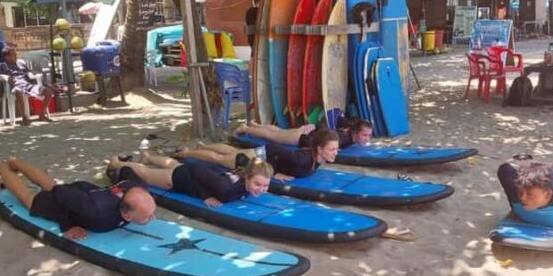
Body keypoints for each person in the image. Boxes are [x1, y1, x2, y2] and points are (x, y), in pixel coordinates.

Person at [0, 157, 156, 240]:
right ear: (127, 215)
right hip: (77, 198)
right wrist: (67, 226)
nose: (153, 217)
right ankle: (0, 166)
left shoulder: (140, 189)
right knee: (29, 199)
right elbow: (60, 192)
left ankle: (15, 162)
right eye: (148, 215)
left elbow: (127, 170)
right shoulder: (97, 213)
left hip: (85, 193)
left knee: (50, 185)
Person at [107, 152, 274, 207]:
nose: (261, 189)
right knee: (147, 174)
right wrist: (205, 195)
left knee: (173, 163)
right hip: (179, 179)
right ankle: (117, 163)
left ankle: (147, 155)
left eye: (265, 186)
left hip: (188, 172)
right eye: (257, 184)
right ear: (247, 177)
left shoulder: (243, 183)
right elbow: (196, 170)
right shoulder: (226, 189)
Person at [176, 129, 340, 181]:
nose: (335, 153)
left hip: (260, 155)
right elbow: (273, 148)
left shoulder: (315, 159)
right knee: (219, 159)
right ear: (319, 149)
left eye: (336, 149)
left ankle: (203, 145)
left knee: (231, 152)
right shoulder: (302, 160)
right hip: (257, 158)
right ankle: (187, 152)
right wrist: (274, 172)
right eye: (332, 149)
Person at [0, 46, 55, 125]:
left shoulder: (20, 63)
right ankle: (24, 117)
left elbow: (29, 73)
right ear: (7, 57)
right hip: (14, 87)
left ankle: (41, 115)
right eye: (13, 55)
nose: (16, 56)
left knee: (48, 92)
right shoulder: (2, 65)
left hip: (28, 85)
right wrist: (6, 77)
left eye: (16, 54)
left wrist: (33, 76)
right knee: (19, 91)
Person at [234, 117, 373, 150]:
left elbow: (337, 121)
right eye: (364, 135)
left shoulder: (349, 129)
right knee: (271, 136)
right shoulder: (343, 138)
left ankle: (257, 125)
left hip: (305, 132)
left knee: (279, 131)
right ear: (355, 132)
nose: (367, 139)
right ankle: (245, 129)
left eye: (368, 135)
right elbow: (324, 134)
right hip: (302, 137)